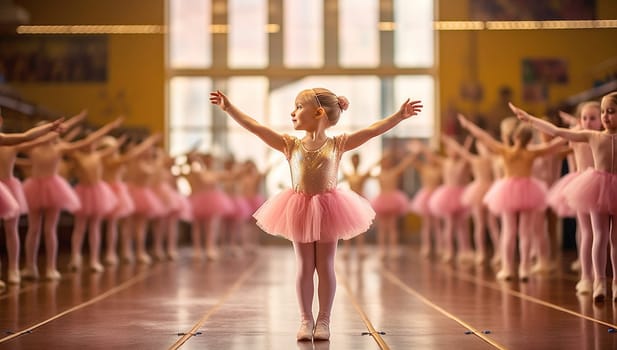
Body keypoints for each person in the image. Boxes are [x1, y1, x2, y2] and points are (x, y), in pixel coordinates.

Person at [210, 88, 422, 341]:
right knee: (304, 266)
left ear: (318, 112)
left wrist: (398, 116)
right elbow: (256, 127)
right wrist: (229, 109)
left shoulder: (338, 144)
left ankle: (324, 320)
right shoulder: (290, 144)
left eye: (299, 106)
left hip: (329, 208)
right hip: (299, 207)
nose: (293, 111)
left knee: (325, 265)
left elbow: (373, 130)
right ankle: (305, 319)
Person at [510, 93, 617, 302]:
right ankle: (598, 282)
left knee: (615, 240)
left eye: (611, 112)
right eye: (603, 112)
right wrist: (530, 120)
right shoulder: (592, 136)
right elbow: (558, 131)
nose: (605, 116)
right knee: (599, 235)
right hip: (597, 187)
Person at [457, 112, 564, 281]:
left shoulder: (505, 151)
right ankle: (524, 269)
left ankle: (508, 268)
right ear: (530, 139)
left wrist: (468, 125)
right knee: (525, 232)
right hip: (529, 191)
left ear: (514, 137)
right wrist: (577, 128)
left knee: (509, 231)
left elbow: (484, 137)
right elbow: (556, 144)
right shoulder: (532, 152)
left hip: (507, 191)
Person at [0, 116, 65, 289]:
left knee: (11, 228)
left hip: (4, 188)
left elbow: (26, 136)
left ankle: (14, 269)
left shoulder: (3, 140)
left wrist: (50, 127)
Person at [340, 153, 374, 259]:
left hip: (360, 203)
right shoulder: (348, 174)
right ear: (351, 161)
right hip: (350, 202)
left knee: (360, 227)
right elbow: (340, 174)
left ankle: (361, 250)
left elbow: (372, 172)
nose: (355, 162)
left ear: (359, 161)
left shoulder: (362, 175)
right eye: (354, 160)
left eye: (357, 160)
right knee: (347, 226)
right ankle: (346, 250)